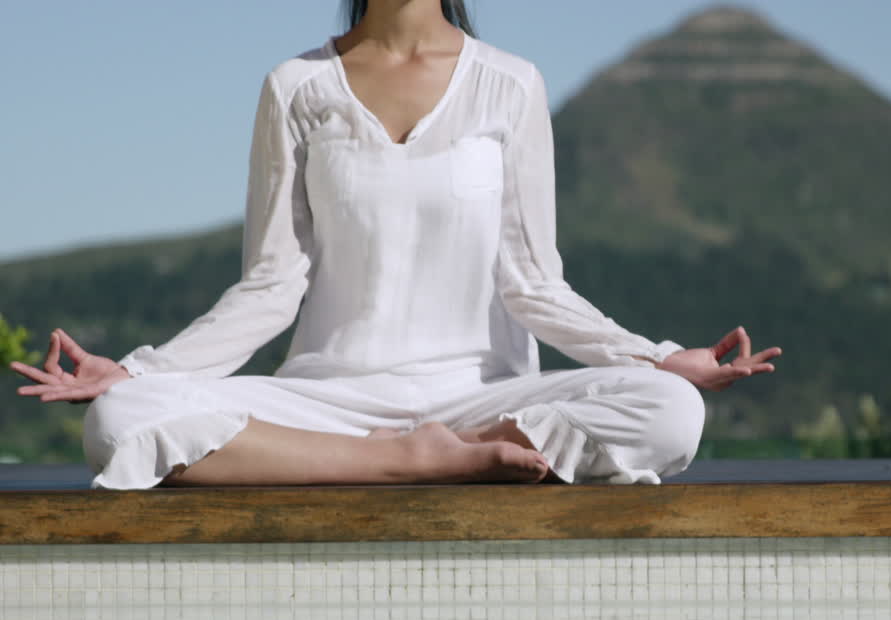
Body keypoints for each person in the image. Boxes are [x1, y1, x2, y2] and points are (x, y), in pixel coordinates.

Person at [8, 0, 781, 490]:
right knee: (120, 422)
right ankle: (413, 462)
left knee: (671, 412)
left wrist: (652, 357)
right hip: (331, 402)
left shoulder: (510, 86)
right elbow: (272, 286)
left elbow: (533, 282)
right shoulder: (297, 88)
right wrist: (138, 371)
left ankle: (464, 445)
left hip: (483, 398)